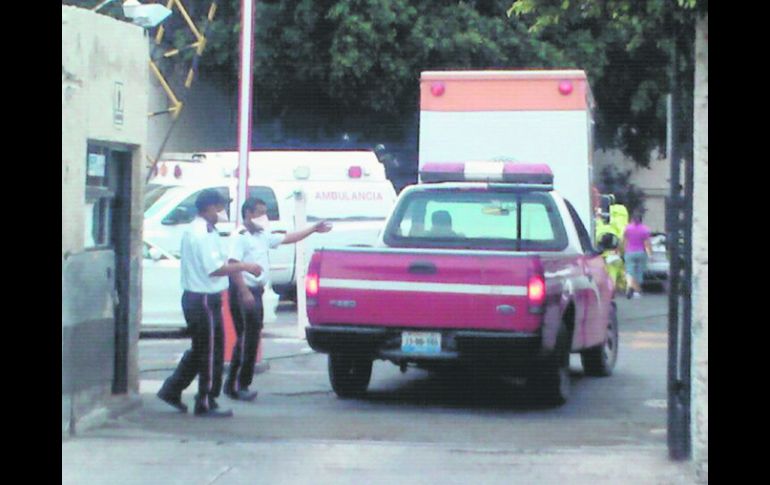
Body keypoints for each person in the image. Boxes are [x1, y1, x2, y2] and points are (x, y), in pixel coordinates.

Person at [157, 189, 264, 418]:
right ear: (208, 208)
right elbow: (215, 268)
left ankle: (172, 389)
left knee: (201, 350)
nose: (221, 212)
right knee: (211, 352)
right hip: (203, 298)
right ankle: (205, 401)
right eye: (219, 207)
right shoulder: (202, 233)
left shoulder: (204, 230)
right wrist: (245, 267)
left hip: (202, 297)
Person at [224, 197, 332, 401]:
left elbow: (287, 238)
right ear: (248, 213)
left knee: (251, 338)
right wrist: (244, 292)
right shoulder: (240, 236)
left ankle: (234, 384)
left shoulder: (261, 234)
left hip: (256, 290)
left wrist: (312, 229)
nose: (264, 217)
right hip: (244, 290)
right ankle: (239, 384)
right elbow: (233, 264)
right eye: (259, 212)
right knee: (247, 338)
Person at [622, 209, 652, 299]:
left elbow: (624, 241)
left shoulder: (627, 228)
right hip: (641, 252)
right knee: (639, 272)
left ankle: (630, 286)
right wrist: (650, 253)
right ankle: (637, 292)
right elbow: (647, 243)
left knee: (629, 270)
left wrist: (623, 250)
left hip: (629, 252)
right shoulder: (645, 229)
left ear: (632, 219)